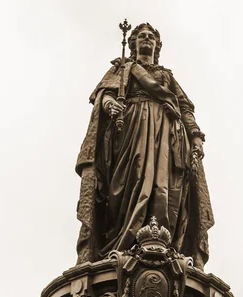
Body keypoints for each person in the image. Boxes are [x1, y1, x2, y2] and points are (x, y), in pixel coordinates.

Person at [75, 22, 214, 269]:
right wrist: (109, 104)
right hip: (131, 132)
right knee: (128, 184)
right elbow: (102, 95)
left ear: (157, 46)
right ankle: (123, 241)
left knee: (164, 187)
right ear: (133, 43)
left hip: (166, 138)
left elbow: (184, 107)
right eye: (141, 36)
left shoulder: (166, 76)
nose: (146, 39)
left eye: (151, 37)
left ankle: (163, 243)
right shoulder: (124, 69)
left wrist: (195, 136)